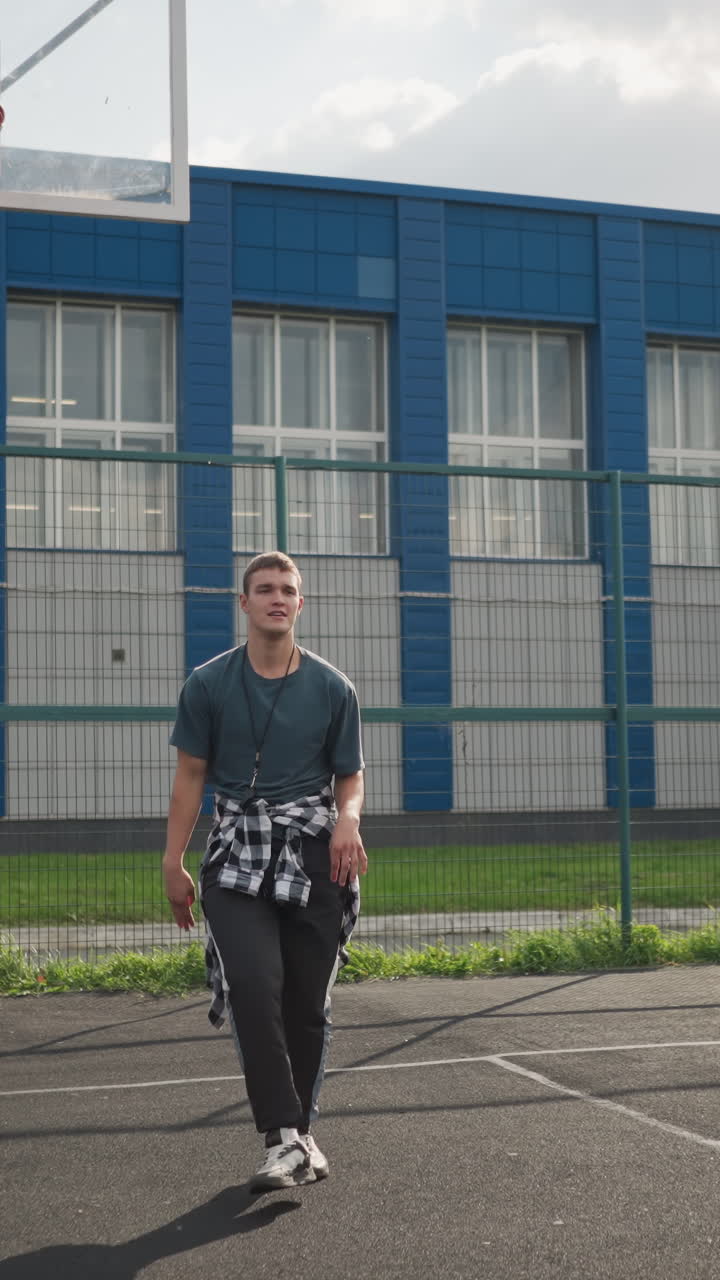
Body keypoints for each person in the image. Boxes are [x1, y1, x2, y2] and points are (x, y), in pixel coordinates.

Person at [162, 550, 367, 1193]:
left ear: (299, 605)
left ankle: (299, 1139)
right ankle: (283, 1137)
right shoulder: (207, 684)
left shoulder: (334, 688)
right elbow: (190, 777)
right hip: (236, 850)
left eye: (288, 590)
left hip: (314, 849)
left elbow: (349, 778)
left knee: (306, 1003)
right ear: (244, 604)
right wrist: (173, 860)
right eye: (264, 589)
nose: (277, 598)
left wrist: (348, 820)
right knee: (254, 982)